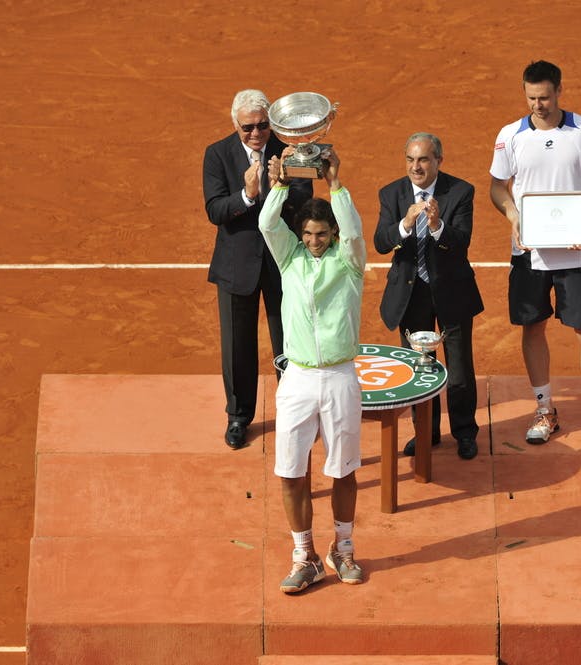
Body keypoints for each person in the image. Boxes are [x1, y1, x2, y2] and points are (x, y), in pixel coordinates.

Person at [488, 60, 581, 454]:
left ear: (559, 90)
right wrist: (513, 216)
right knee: (533, 328)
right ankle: (545, 411)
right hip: (529, 253)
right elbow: (497, 187)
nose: (537, 105)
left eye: (544, 97)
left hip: (576, 253)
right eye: (530, 98)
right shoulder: (510, 135)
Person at [259, 146, 367, 593]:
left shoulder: (350, 263)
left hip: (340, 376)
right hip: (298, 378)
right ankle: (303, 555)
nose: (314, 240)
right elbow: (268, 224)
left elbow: (357, 233)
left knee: (342, 470)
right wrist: (280, 183)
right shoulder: (289, 260)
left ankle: (342, 548)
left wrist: (336, 184)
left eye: (322, 233)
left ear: (333, 234)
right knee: (290, 470)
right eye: (307, 233)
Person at [203, 89, 313, 449]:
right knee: (237, 347)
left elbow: (303, 204)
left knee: (289, 342)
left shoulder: (291, 152)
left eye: (263, 125)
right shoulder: (217, 154)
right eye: (248, 126)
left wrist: (278, 187)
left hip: (283, 264)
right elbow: (216, 210)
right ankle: (238, 416)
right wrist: (248, 195)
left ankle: (293, 412)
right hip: (237, 266)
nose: (256, 133)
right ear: (236, 124)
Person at [375, 133, 484, 461]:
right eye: (410, 159)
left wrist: (437, 226)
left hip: (451, 290)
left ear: (438, 160)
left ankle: (464, 431)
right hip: (411, 294)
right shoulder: (391, 193)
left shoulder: (460, 192)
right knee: (421, 367)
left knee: (460, 366)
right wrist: (405, 224)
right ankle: (427, 432)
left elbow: (461, 241)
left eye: (423, 160)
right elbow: (382, 242)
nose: (415, 166)